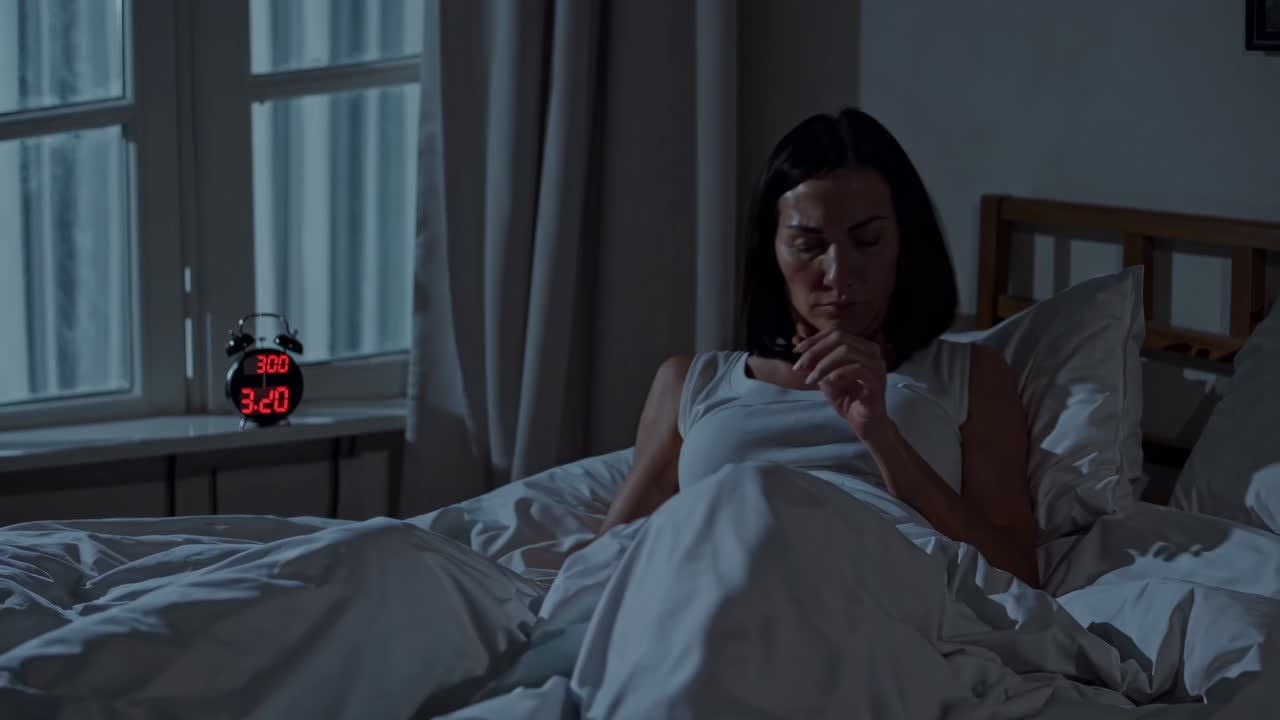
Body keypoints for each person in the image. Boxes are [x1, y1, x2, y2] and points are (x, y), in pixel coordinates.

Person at [597, 107, 1039, 588]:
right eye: (808, 245)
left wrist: (883, 437)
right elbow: (610, 556)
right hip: (711, 580)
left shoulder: (969, 375)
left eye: (867, 241)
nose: (838, 274)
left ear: (903, 244)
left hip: (869, 595)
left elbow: (1017, 574)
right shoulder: (690, 382)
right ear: (772, 250)